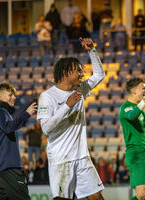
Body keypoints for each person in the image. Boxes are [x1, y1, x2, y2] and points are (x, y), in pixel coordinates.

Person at [37, 38, 105, 200]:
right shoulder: (47, 97)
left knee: (97, 198)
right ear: (66, 73)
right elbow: (46, 128)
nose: (82, 74)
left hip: (82, 156)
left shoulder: (80, 89)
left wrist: (92, 51)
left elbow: (99, 75)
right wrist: (66, 106)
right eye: (78, 71)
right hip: (61, 159)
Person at [0, 81, 37, 200]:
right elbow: (9, 127)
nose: (14, 97)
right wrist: (26, 114)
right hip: (9, 170)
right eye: (10, 95)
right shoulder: (1, 111)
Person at [118, 78, 145, 200]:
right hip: (136, 154)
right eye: (142, 88)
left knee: (143, 195)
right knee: (141, 195)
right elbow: (132, 116)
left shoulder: (139, 110)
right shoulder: (126, 108)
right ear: (133, 91)